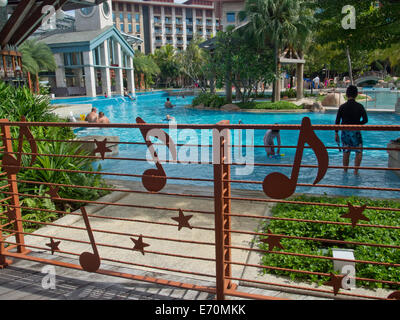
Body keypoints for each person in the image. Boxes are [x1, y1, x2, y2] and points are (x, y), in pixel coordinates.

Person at [335, 85, 368, 175]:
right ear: (356, 95)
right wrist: (358, 124)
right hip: (356, 132)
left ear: (346, 94)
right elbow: (365, 120)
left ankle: (345, 171)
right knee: (359, 151)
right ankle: (355, 171)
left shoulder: (342, 107)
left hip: (345, 132)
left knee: (346, 152)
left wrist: (336, 133)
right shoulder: (360, 106)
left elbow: (337, 121)